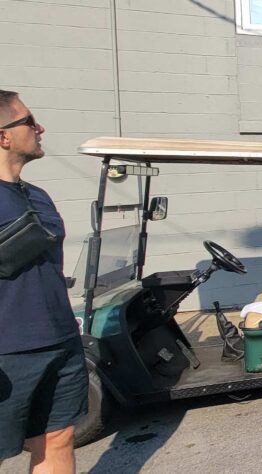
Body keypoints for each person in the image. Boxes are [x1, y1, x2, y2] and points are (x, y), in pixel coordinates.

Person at [0, 90, 86, 473]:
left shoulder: (38, 196)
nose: (40, 128)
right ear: (3, 136)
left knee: (58, 438)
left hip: (59, 341)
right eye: (29, 121)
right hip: (8, 353)